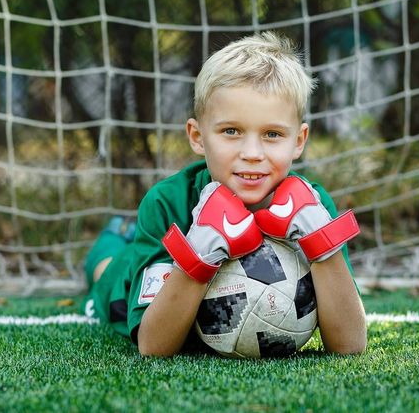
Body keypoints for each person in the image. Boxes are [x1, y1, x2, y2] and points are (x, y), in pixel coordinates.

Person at [82, 32, 367, 357]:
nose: (251, 153)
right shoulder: (166, 203)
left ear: (299, 141)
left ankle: (125, 233)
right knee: (106, 266)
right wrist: (200, 251)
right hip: (118, 285)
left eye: (272, 134)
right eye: (231, 131)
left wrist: (320, 241)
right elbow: (153, 348)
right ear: (197, 136)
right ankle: (115, 233)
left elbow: (350, 346)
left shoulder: (312, 205)